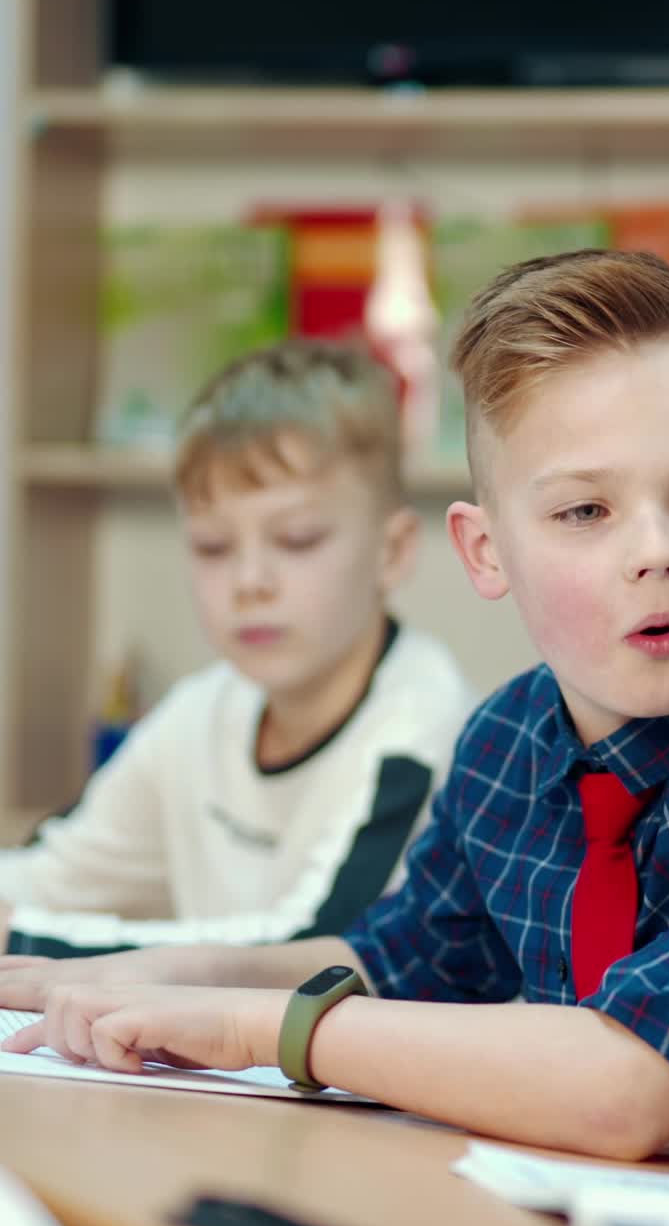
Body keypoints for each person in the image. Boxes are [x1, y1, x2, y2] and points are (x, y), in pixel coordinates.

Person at [0, 250, 669, 1160]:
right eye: (584, 510)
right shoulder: (509, 739)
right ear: (483, 551)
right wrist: (159, 975)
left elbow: (631, 1085)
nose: (657, 550)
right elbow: (391, 958)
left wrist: (260, 1025)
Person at [0, 340, 473, 958]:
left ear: (392, 552)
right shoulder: (202, 708)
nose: (250, 581)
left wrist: (25, 938)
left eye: (296, 540)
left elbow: (314, 946)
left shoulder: (423, 726)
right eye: (212, 546)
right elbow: (55, 872)